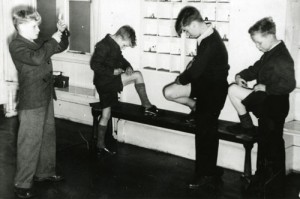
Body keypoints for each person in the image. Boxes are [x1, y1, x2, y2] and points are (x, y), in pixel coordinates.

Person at [227, 17, 295, 195]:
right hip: (268, 104)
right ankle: (265, 183)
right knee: (268, 144)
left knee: (271, 145)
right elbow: (256, 69)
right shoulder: (271, 52)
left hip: (275, 106)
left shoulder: (282, 57)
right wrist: (241, 75)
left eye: (259, 42)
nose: (257, 46)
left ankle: (269, 185)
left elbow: (289, 85)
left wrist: (266, 87)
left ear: (270, 35)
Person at [163, 6, 229, 189]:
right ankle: (211, 170)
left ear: (193, 24)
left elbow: (195, 71)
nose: (187, 34)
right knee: (207, 130)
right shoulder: (206, 36)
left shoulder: (210, 42)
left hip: (214, 92)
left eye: (186, 30)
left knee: (205, 132)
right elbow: (200, 67)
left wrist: (181, 78)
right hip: (206, 86)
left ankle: (204, 173)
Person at [9, 9, 69, 198]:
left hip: (45, 95)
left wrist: (62, 32)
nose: (38, 29)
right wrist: (54, 37)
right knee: (29, 141)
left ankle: (44, 173)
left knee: (46, 136)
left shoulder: (36, 41)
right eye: (34, 26)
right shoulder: (17, 45)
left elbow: (60, 47)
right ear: (21, 26)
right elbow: (37, 58)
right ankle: (22, 183)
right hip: (32, 100)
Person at [91, 25, 158, 157]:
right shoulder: (104, 45)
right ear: (120, 37)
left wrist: (127, 66)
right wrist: (112, 71)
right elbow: (94, 65)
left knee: (106, 114)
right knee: (137, 75)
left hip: (103, 84)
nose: (124, 47)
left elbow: (120, 59)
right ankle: (147, 106)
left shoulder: (113, 44)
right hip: (106, 82)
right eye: (124, 45)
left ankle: (100, 145)